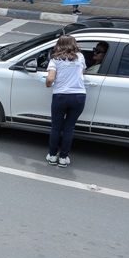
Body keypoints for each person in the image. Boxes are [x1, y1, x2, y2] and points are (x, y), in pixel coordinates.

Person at [45, 35, 86, 168]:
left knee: (56, 127)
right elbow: (82, 71)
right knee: (69, 127)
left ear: (58, 45)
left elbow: (50, 79)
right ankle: (63, 157)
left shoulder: (55, 59)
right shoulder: (80, 57)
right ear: (74, 44)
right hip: (79, 96)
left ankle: (52, 156)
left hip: (61, 96)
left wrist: (47, 84)